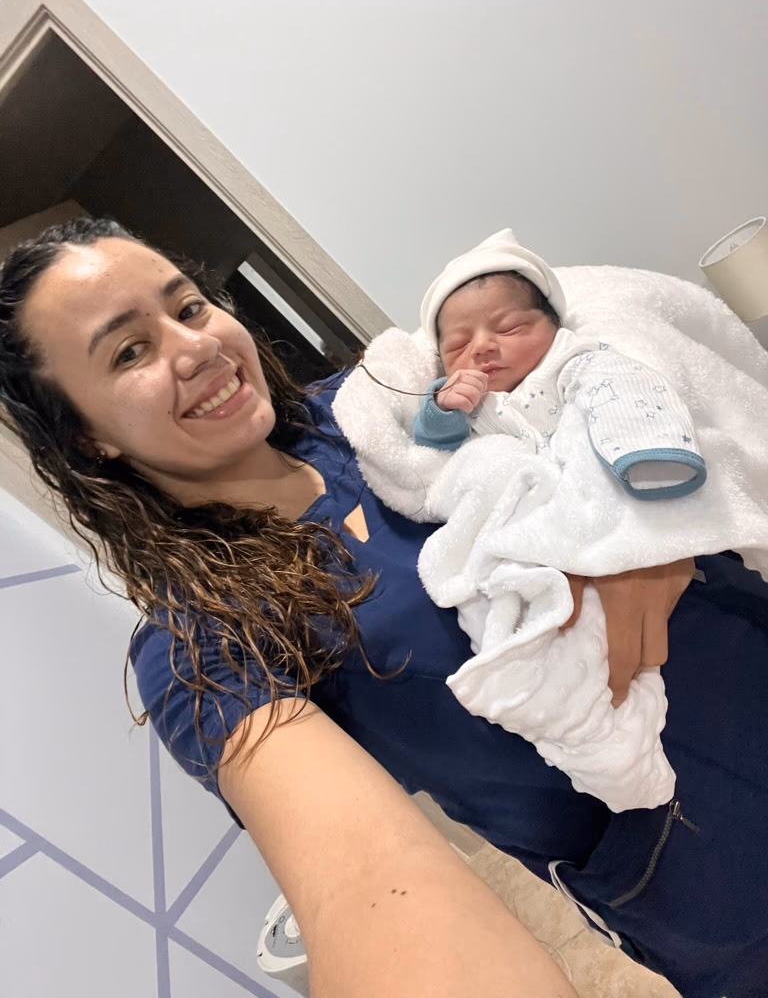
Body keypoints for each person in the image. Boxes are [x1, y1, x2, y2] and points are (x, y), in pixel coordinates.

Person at [0, 218, 766, 998]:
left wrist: (648, 528)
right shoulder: (201, 642)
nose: (194, 347)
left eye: (188, 307)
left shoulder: (382, 402)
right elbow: (365, 886)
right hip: (708, 872)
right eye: (130, 351)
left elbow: (590, 333)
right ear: (85, 437)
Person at [413, 229, 707, 502]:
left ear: (554, 325)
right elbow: (433, 453)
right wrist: (442, 409)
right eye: (458, 345)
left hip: (600, 493)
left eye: (508, 328)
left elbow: (620, 385)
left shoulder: (568, 363)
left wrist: (645, 449)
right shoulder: (468, 403)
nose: (480, 347)